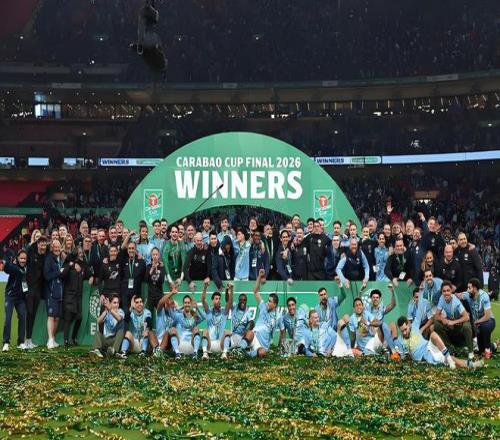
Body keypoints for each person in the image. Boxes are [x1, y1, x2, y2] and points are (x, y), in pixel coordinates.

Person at [397, 306, 483, 369]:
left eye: (405, 329)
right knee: (452, 360)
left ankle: (449, 359)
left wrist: (422, 290)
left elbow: (421, 307)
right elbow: (404, 358)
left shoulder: (414, 325)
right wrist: (408, 354)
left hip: (429, 346)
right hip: (425, 356)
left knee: (433, 335)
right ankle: (471, 365)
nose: (404, 332)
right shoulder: (400, 341)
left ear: (408, 325)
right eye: (402, 331)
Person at [237, 269, 283, 358]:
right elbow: (255, 291)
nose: (267, 303)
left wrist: (280, 347)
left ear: (275, 304)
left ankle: (246, 354)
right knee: (250, 333)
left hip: (263, 345)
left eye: (270, 301)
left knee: (262, 352)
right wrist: (259, 276)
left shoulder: (279, 316)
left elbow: (282, 331)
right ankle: (238, 351)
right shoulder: (263, 306)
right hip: (254, 337)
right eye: (268, 300)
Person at [456, 278, 496, 358]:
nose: (467, 290)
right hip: (477, 323)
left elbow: (487, 316)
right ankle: (493, 346)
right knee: (481, 349)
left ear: (475, 288)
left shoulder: (484, 296)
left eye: (469, 288)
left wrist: (476, 322)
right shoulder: (467, 294)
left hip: (488, 321)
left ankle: (488, 350)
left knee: (485, 327)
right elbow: (457, 296)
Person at [433, 281, 474, 358]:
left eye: (448, 290)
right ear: (441, 292)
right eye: (444, 291)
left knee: (466, 326)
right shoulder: (441, 298)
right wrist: (442, 319)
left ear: (451, 291)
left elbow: (466, 317)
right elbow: (436, 316)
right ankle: (450, 348)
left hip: (460, 323)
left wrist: (453, 322)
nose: (446, 293)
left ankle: (471, 351)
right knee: (436, 323)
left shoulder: (456, 302)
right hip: (451, 323)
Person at [61, 247, 91, 346]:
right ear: (75, 254)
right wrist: (72, 265)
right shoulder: (69, 264)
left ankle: (73, 338)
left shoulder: (83, 265)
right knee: (68, 318)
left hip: (78, 297)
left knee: (79, 317)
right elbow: (62, 275)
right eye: (79, 253)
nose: (82, 254)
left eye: (82, 253)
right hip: (69, 296)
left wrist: (91, 276)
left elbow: (89, 273)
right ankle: (65, 341)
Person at [1, 250, 28, 351]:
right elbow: (6, 268)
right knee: (8, 318)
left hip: (20, 299)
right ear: (17, 258)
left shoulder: (25, 268)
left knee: (22, 317)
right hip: (10, 297)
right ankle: (6, 343)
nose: (23, 260)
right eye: (21, 258)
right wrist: (6, 259)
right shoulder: (13, 267)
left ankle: (21, 342)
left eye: (25, 258)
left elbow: (24, 284)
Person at [165, 290, 204, 359]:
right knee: (173, 329)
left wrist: (197, 308)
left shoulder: (194, 316)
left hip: (191, 346)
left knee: (196, 329)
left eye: (188, 303)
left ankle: (195, 354)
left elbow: (203, 317)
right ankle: (177, 354)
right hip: (180, 346)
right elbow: (169, 310)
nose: (187, 304)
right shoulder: (178, 315)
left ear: (190, 304)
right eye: (185, 303)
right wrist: (171, 294)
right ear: (183, 304)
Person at [200, 282, 233, 360]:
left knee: (227, 331)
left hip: (221, 344)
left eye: (219, 299)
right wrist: (205, 287)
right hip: (210, 344)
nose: (218, 300)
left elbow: (230, 302)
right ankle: (205, 354)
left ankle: (224, 354)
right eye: (216, 299)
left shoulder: (224, 312)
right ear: (212, 301)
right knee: (205, 331)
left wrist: (231, 290)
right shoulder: (209, 312)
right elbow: (203, 300)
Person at [25, 235, 47, 349]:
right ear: (37, 244)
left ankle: (29, 339)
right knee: (28, 313)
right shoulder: (31, 253)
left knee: (33, 314)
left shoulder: (45, 256)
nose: (43, 247)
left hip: (38, 290)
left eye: (44, 245)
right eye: (41, 245)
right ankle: (24, 340)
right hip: (30, 289)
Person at [89, 293, 125, 358]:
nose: (117, 305)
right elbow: (98, 321)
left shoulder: (120, 311)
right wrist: (106, 310)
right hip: (106, 340)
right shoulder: (107, 312)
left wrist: (110, 309)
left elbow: (119, 318)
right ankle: (97, 350)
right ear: (110, 303)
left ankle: (114, 351)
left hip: (114, 340)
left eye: (118, 303)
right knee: (98, 333)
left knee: (121, 331)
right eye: (115, 303)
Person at [44, 239, 65, 349]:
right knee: (51, 316)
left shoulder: (62, 258)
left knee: (57, 318)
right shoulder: (49, 259)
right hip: (51, 292)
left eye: (58, 247)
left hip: (60, 293)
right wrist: (58, 272)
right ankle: (51, 339)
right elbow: (46, 275)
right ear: (52, 248)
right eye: (55, 247)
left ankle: (52, 339)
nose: (57, 249)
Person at [119, 237, 146, 321]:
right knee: (126, 313)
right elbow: (121, 275)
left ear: (135, 249)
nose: (131, 250)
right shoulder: (123, 261)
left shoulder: (141, 262)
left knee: (136, 315)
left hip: (136, 292)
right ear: (127, 250)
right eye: (129, 248)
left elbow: (144, 276)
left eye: (133, 248)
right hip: (125, 292)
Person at [366, 288, 398, 354]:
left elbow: (393, 305)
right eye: (373, 297)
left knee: (392, 324)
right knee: (380, 324)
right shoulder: (367, 310)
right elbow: (358, 305)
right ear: (371, 299)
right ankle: (388, 349)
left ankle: (395, 347)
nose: (375, 299)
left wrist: (392, 292)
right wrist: (360, 291)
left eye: (377, 297)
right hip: (375, 340)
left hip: (383, 337)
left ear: (379, 299)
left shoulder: (382, 309)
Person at [149, 290, 177, 357]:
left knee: (167, 332)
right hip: (158, 341)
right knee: (150, 332)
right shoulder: (160, 312)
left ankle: (159, 352)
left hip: (169, 342)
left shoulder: (174, 314)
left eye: (170, 304)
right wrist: (171, 293)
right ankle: (156, 350)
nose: (168, 305)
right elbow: (161, 302)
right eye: (166, 303)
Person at [162, 224, 185, 289]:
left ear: (178, 233)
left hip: (179, 276)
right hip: (169, 276)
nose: (174, 234)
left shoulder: (181, 244)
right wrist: (170, 281)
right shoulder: (167, 246)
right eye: (173, 232)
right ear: (170, 233)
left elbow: (184, 261)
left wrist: (181, 278)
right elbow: (165, 263)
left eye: (176, 232)